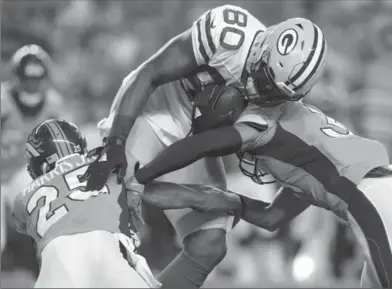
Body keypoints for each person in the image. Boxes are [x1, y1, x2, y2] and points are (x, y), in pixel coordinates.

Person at [132, 20, 392, 289]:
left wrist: (139, 176)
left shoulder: (261, 122)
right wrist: (220, 199)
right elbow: (272, 218)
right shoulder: (309, 162)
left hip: (375, 196)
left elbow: (199, 146)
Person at [82, 5, 279, 289]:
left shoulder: (276, 105)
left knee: (210, 243)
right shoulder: (229, 34)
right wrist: (116, 142)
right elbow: (151, 73)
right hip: (155, 110)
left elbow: (204, 144)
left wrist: (200, 196)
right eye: (267, 78)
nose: (264, 91)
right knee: (107, 218)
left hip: (197, 136)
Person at [10, 119, 161, 288]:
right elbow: (140, 176)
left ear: (41, 165)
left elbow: (22, 232)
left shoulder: (23, 194)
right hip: (108, 245)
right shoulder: (105, 160)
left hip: (58, 254)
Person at [1, 44, 67, 185]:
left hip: (38, 183)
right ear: (17, 76)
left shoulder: (54, 105)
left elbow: (65, 148)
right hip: (3, 180)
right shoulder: (3, 101)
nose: (32, 84)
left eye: (36, 78)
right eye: (27, 78)